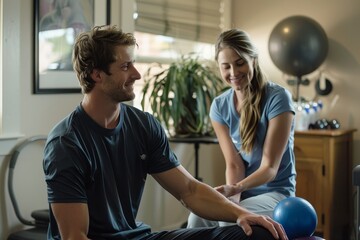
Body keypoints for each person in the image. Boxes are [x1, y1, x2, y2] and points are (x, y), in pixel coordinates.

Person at [43, 25, 288, 240]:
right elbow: (75, 236)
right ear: (97, 74)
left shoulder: (143, 125)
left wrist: (243, 214)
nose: (137, 74)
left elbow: (189, 190)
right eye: (126, 66)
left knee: (256, 233)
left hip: (138, 236)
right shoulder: (67, 144)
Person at [187, 29, 296, 228]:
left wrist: (234, 189)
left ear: (253, 60)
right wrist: (233, 199)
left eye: (240, 63)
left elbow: (269, 168)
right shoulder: (219, 107)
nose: (233, 73)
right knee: (197, 218)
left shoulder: (278, 98)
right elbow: (234, 165)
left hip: (276, 194)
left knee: (228, 223)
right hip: (244, 192)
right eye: (226, 66)